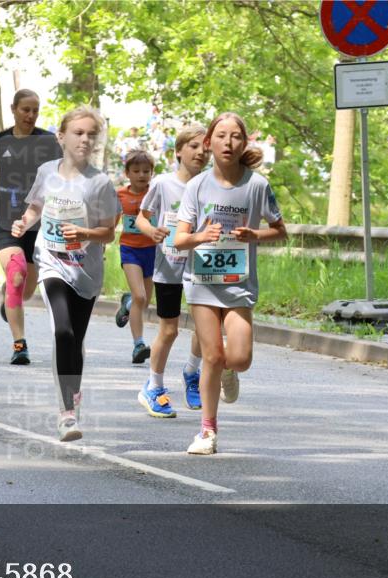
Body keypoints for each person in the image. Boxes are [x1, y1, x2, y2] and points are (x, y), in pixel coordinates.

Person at [173, 112, 287, 454]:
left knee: (237, 358)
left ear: (244, 142)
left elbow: (281, 231)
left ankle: (228, 372)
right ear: (209, 143)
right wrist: (200, 236)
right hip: (202, 281)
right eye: (221, 136)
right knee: (212, 355)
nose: (228, 142)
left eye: (236, 136)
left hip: (238, 282)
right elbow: (178, 241)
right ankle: (207, 431)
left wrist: (255, 234)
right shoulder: (196, 186)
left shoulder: (257, 185)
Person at [10, 106, 117, 442]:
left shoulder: (99, 183)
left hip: (86, 270)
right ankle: (67, 413)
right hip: (52, 263)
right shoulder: (46, 172)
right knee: (64, 332)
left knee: (77, 339)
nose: (84, 139)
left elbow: (108, 232)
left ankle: (72, 396)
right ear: (61, 137)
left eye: (90, 134)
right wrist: (24, 222)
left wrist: (85, 234)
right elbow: (35, 208)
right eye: (78, 133)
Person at [0, 89, 62, 365]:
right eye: (25, 110)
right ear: (13, 109)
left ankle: (10, 297)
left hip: (37, 218)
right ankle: (20, 344)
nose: (30, 115)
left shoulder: (48, 142)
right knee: (16, 273)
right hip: (5, 215)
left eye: (35, 110)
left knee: (26, 288)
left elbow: (62, 178)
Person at [130, 125, 212, 418]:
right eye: (193, 146)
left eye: (205, 147)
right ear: (178, 151)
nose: (201, 152)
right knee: (170, 329)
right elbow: (141, 217)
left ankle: (192, 372)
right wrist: (152, 231)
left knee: (206, 329)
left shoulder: (211, 185)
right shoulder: (163, 184)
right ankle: (153, 387)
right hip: (170, 267)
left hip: (202, 266)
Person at [113, 150, 155, 364]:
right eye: (136, 171)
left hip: (152, 250)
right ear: (127, 173)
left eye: (146, 171)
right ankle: (138, 344)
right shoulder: (120, 194)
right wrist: (102, 242)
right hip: (130, 250)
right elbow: (111, 222)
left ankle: (128, 305)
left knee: (144, 300)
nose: (141, 175)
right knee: (140, 296)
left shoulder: (156, 192)